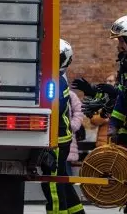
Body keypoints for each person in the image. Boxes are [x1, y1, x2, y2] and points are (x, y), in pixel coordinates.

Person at [73, 14, 127, 214]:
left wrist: (112, 94)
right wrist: (114, 126)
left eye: (121, 39)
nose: (118, 44)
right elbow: (123, 98)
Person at [41, 39, 85, 214]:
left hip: (57, 140)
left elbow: (54, 109)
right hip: (60, 139)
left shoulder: (56, 80)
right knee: (62, 184)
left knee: (53, 186)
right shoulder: (58, 78)